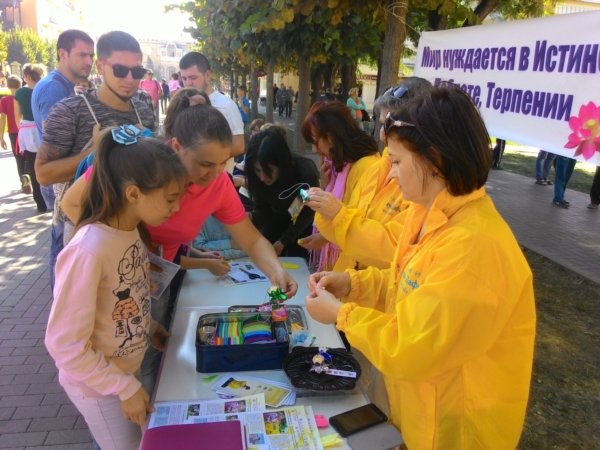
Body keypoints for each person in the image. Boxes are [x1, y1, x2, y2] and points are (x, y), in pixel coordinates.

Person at [305, 84, 536, 449]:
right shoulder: (428, 213)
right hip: (422, 414)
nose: (391, 175)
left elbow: (411, 346)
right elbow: (407, 285)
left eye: (396, 161)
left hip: (456, 430)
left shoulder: (473, 247)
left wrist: (342, 315)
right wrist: (353, 285)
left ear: (434, 158)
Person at [60, 100, 299, 394]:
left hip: (155, 281)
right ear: (176, 146)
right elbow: (72, 204)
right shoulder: (142, 163)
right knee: (112, 377)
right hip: (116, 281)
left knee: (149, 364)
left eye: (222, 163)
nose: (214, 174)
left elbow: (249, 238)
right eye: (204, 164)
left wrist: (276, 272)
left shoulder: (218, 184)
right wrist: (114, 256)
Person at [45, 129, 187, 450]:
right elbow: (64, 344)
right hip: (98, 387)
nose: (176, 208)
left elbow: (121, 300)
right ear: (134, 194)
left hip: (120, 375)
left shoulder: (129, 233)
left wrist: (149, 328)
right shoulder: (88, 250)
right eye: (170, 198)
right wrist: (124, 388)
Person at [35, 31, 154, 289]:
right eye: (120, 70)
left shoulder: (144, 109)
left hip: (135, 230)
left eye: (138, 71)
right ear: (101, 66)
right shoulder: (70, 111)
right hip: (84, 230)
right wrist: (96, 154)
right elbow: (43, 173)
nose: (130, 79)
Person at [306, 77, 432, 273]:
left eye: (389, 125)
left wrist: (338, 215)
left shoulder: (423, 187)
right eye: (381, 124)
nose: (382, 135)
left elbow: (393, 251)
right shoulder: (378, 167)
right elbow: (354, 222)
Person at [299, 100, 380, 271]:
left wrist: (326, 237)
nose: (314, 150)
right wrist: (327, 183)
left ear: (331, 137)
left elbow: (356, 221)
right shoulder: (340, 165)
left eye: (315, 142)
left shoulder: (367, 167)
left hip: (355, 268)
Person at [32, 29, 95, 213]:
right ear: (62, 54)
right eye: (82, 55)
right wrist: (95, 150)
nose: (89, 62)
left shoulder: (63, 85)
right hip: (60, 182)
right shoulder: (54, 88)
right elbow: (54, 139)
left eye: (91, 56)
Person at [245, 128, 320, 259]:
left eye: (269, 171)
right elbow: (263, 210)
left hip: (302, 222)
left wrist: (283, 241)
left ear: (281, 163)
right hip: (275, 218)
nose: (262, 177)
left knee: (298, 262)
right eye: (257, 170)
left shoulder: (304, 171)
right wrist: (250, 217)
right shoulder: (256, 178)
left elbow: (306, 212)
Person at [179, 51, 244, 158]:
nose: (188, 83)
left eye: (193, 78)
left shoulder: (226, 105)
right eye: (184, 78)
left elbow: (239, 145)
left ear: (208, 75)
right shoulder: (183, 103)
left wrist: (206, 161)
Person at [14, 64, 47, 212]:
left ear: (27, 76)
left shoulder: (20, 93)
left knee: (32, 163)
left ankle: (39, 201)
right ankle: (50, 197)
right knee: (47, 162)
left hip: (27, 131)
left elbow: (17, 118)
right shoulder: (45, 89)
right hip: (43, 128)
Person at [0, 75, 23, 188]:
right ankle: (31, 178)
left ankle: (24, 181)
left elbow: (3, 118)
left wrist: (1, 137)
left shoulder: (4, 101)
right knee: (29, 156)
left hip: (13, 133)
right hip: (25, 130)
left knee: (18, 158)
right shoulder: (23, 97)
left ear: (8, 86)